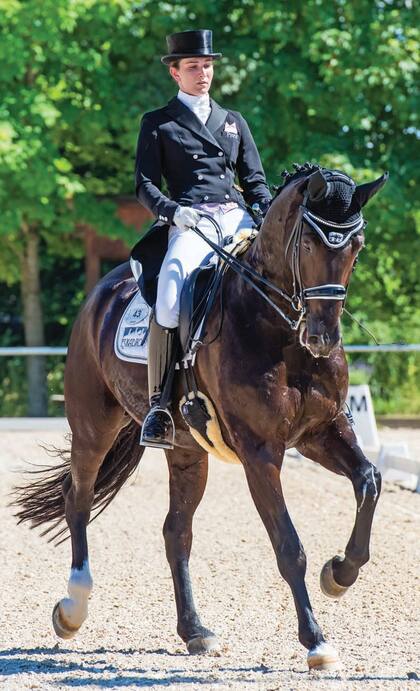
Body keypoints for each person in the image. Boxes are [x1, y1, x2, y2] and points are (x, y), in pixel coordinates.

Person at [130, 29, 271, 449]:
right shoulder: (159, 123)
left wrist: (264, 214)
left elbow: (256, 182)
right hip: (193, 220)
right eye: (192, 66)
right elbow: (143, 185)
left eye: (207, 65)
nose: (202, 73)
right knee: (171, 295)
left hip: (237, 218)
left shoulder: (233, 122)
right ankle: (158, 405)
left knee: (288, 275)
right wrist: (174, 212)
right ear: (175, 73)